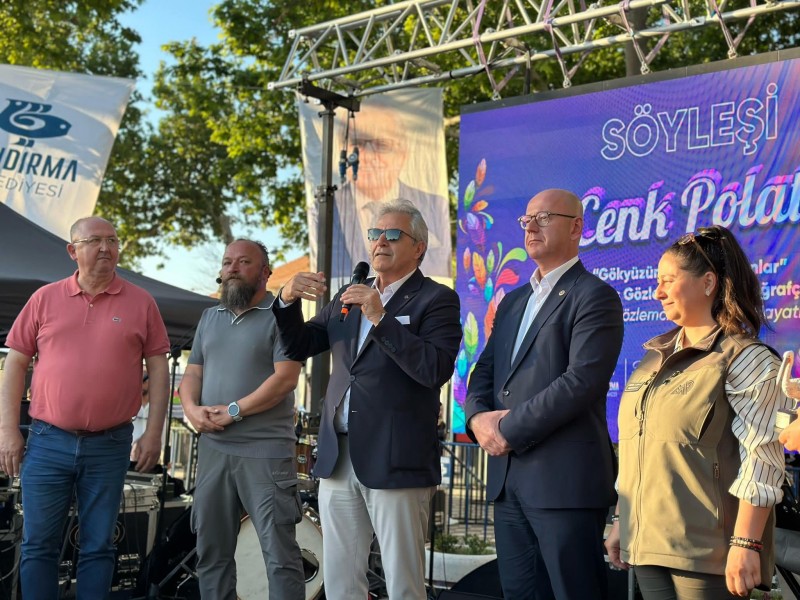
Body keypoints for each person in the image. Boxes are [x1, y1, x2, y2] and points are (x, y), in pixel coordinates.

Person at [273, 200, 462, 599]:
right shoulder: (349, 297)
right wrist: (287, 300)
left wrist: (381, 318)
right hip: (339, 456)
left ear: (419, 247)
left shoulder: (436, 299)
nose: (380, 242)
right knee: (341, 581)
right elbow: (299, 345)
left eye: (393, 234)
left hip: (396, 458)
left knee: (403, 583)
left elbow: (434, 369)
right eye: (375, 234)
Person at [605, 225, 791, 599]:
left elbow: (763, 458)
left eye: (668, 281)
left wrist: (746, 543)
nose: (657, 292)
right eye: (656, 281)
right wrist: (622, 519)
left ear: (708, 283)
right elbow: (637, 449)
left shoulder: (747, 358)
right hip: (647, 546)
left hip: (709, 556)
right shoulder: (653, 359)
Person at [465, 188, 624, 600]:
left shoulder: (594, 295)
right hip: (508, 482)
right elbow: (485, 371)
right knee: (519, 593)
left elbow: (581, 382)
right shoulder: (514, 301)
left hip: (564, 483)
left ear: (576, 228)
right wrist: (477, 419)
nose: (531, 227)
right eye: (526, 220)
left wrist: (507, 430)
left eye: (545, 217)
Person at [0, 216, 170, 598]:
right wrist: (7, 430)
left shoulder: (141, 302)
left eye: (112, 240)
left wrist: (154, 433)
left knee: (98, 546)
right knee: (38, 545)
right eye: (95, 241)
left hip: (110, 444)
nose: (106, 248)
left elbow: (159, 370)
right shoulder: (44, 298)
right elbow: (15, 363)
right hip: (47, 441)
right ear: (72, 250)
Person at [178, 239, 305, 600]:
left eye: (243, 262)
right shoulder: (210, 317)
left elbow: (285, 379)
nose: (232, 268)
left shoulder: (282, 315)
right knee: (211, 552)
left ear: (265, 272)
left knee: (279, 556)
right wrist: (191, 410)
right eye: (227, 262)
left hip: (265, 452)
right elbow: (193, 374)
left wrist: (233, 411)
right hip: (213, 450)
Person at [331, 99, 451, 281]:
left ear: (403, 152)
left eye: (382, 145)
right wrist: (288, 295)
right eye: (358, 144)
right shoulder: (323, 210)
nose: (368, 156)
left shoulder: (437, 206)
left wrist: (376, 302)